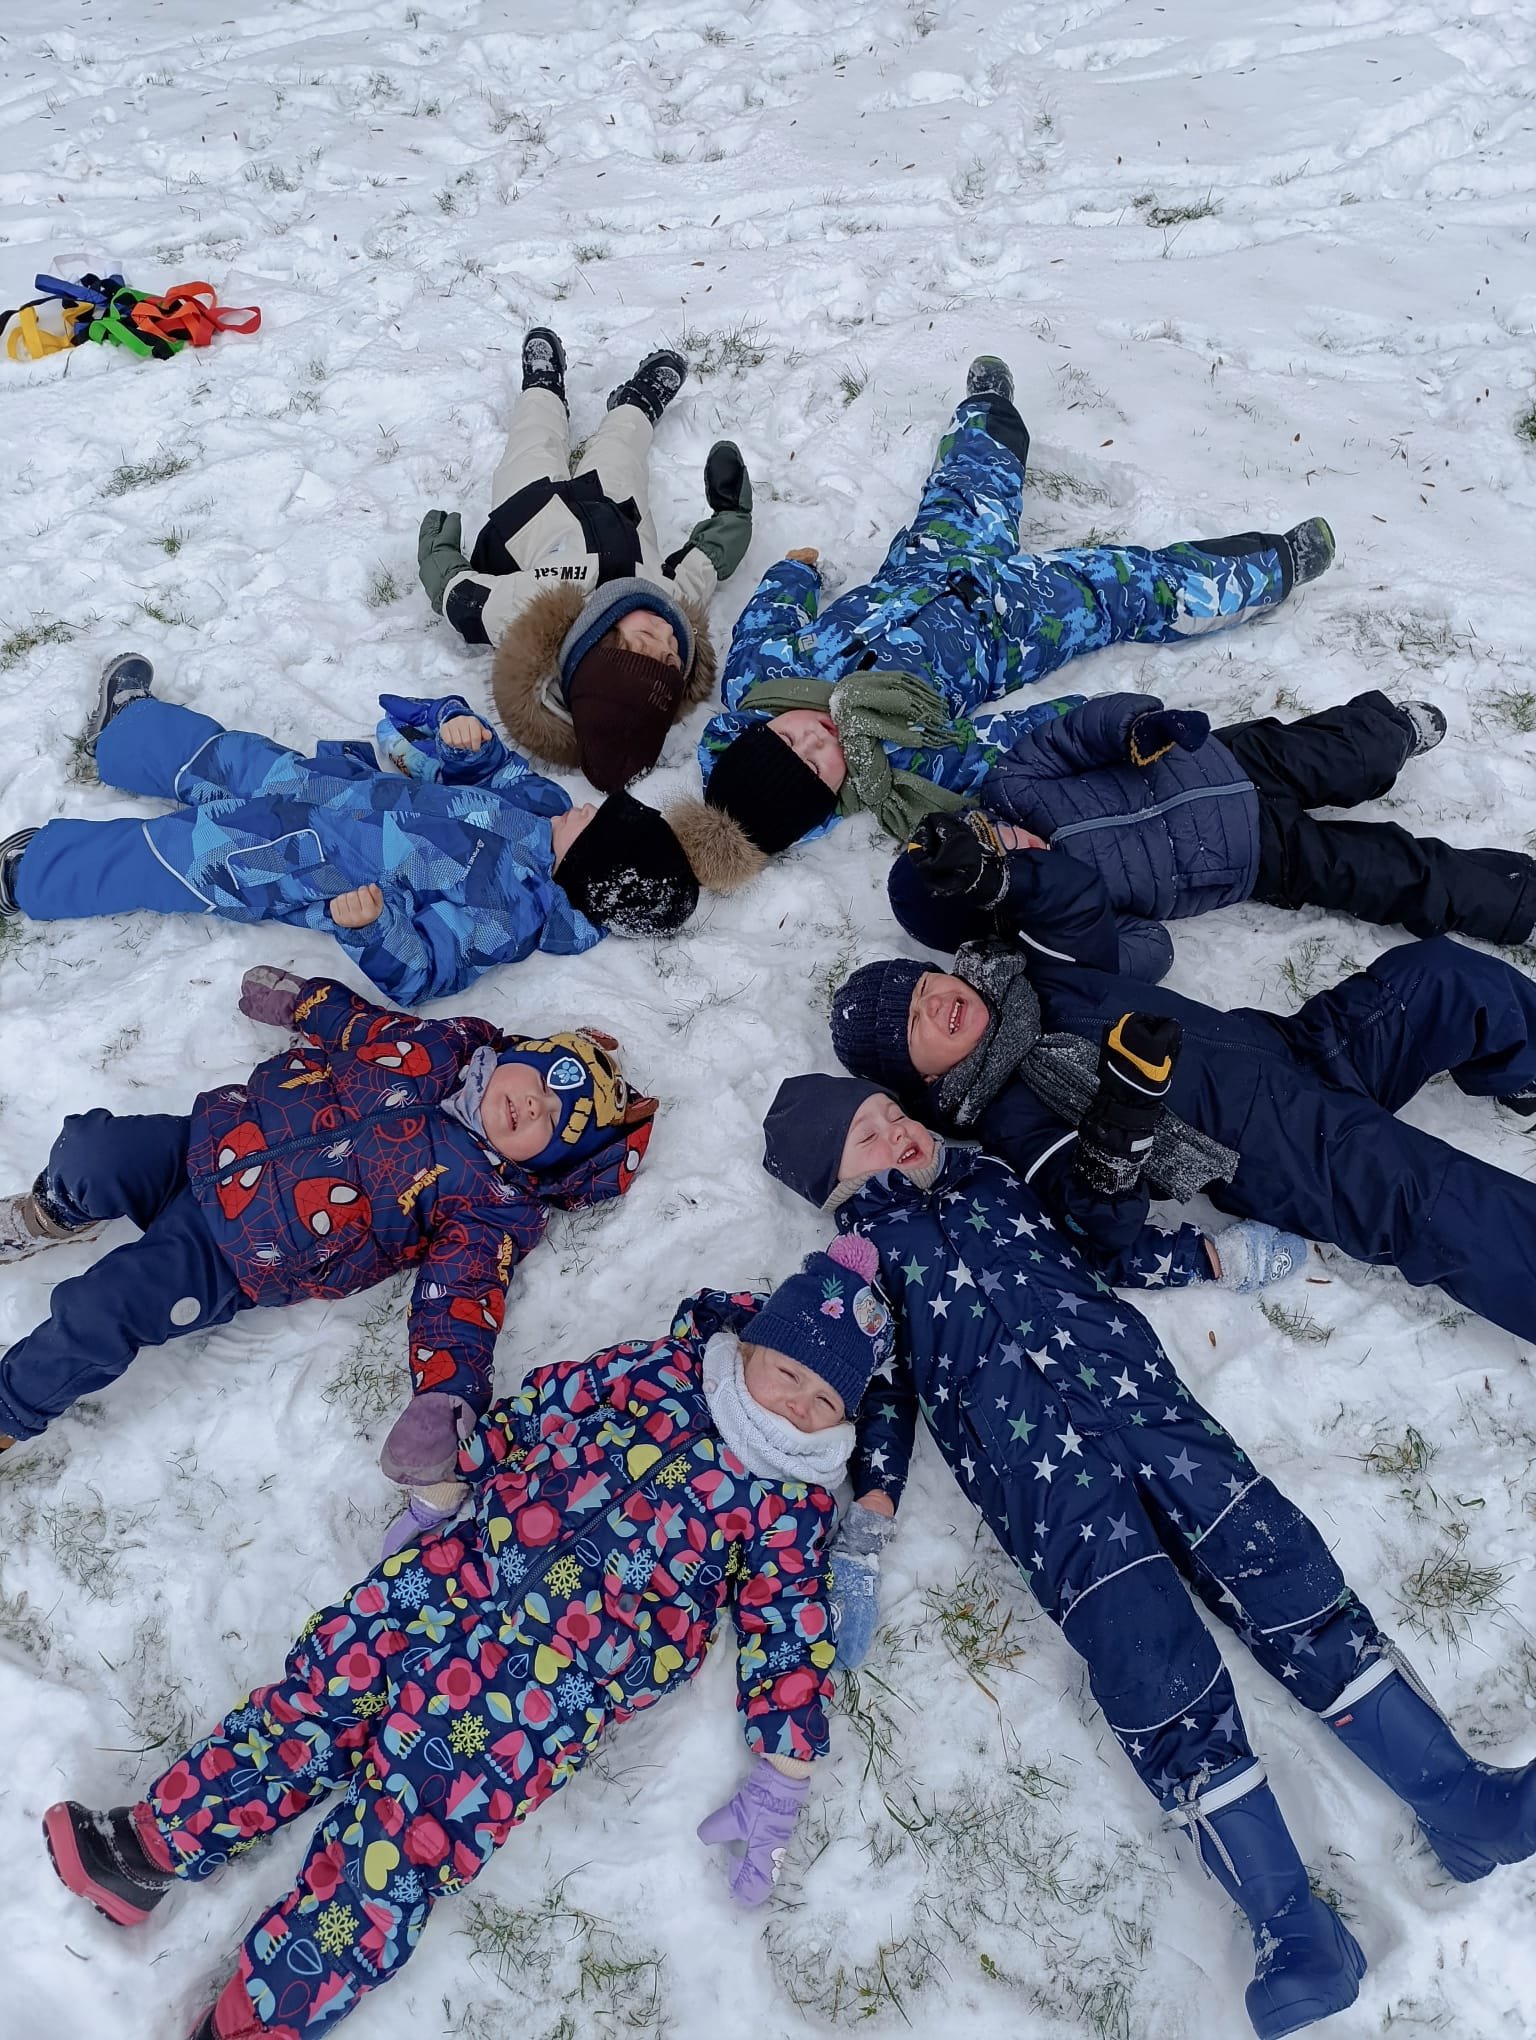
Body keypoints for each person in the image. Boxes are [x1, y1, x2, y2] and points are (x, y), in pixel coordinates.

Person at [762, 1072, 1536, 2040]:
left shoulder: (993, 1180)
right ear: (834, 1181)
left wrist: (1211, 1254)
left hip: (1157, 1422)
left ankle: (1461, 1799)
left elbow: (1100, 1247)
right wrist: (869, 1518)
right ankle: (1293, 1930)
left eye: (893, 1113)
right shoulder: (857, 1272)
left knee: (1284, 1574)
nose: (897, 1130)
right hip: (1049, 1493)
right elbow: (880, 1395)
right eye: (867, 1135)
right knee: (1153, 1673)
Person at [41, 1238, 892, 2040]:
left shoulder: (790, 1506)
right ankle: (149, 1847)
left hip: (544, 1690)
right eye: (789, 1372)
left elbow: (791, 1632)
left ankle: (266, 2013)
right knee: (312, 1702)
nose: (798, 1407)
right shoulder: (661, 1371)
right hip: (457, 1572)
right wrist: (456, 1472)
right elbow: (550, 1403)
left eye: (825, 1403)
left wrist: (783, 1771)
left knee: (403, 1841)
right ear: (751, 1348)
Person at [661, 354, 1334, 892]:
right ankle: (1270, 566)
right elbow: (1009, 743)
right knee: (1124, 585)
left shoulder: (759, 679)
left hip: (924, 568)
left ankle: (989, 408)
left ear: (759, 727)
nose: (817, 736)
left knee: (967, 486)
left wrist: (796, 575)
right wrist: (1097, 721)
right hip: (1010, 626)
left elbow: (765, 621)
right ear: (832, 796)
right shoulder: (905, 770)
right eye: (818, 764)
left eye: (790, 737)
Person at [0, 968, 655, 1516]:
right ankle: (52, 1212)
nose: (533, 1105)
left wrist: (445, 1393)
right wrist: (302, 1003)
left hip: (233, 1251)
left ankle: (11, 1406)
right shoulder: (442, 1047)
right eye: (537, 1083)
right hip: (210, 1139)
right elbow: (360, 1026)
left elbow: (461, 1295)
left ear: (548, 1163)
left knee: (102, 1309)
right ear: (514, 1057)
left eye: (553, 1123)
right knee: (91, 1151)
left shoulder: (491, 1203)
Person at [831, 851, 1536, 1347]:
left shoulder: (1034, 979)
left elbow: (1076, 906)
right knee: (1440, 1202)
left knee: (1440, 976)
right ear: (925, 1080)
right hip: (1284, 1154)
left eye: (924, 988)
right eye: (915, 1025)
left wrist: (1001, 877)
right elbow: (1096, 1220)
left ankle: (1521, 1069)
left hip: (1296, 1049)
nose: (934, 1005)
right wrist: (1123, 1115)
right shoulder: (1009, 1114)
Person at [0, 654, 699, 1006]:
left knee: (178, 856)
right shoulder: (544, 804)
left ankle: (30, 871)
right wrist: (466, 741)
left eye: (595, 828)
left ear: (589, 873)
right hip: (330, 788)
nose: (586, 809)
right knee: (230, 757)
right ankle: (128, 730)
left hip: (303, 861)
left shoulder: (509, 913)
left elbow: (424, 970)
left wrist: (372, 929)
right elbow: (491, 768)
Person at [894, 689, 1536, 963]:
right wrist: (1062, 929)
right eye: (1015, 868)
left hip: (1225, 760)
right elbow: (1149, 950)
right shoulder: (1061, 923)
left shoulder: (1012, 784)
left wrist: (1138, 727)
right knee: (1387, 873)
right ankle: (1518, 903)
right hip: (1258, 855)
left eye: (997, 840)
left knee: (1347, 754)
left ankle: (1391, 732)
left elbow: (1076, 735)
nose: (1022, 846)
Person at [416, 329, 754, 791]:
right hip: (616, 507)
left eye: (644, 641)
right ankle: (636, 404)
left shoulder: (526, 616)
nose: (666, 634)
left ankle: (543, 388)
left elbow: (461, 598)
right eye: (673, 656)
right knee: (620, 452)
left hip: (529, 512)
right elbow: (703, 566)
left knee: (532, 441)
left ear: (594, 644)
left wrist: (439, 557)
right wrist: (733, 519)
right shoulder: (666, 600)